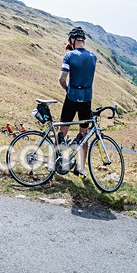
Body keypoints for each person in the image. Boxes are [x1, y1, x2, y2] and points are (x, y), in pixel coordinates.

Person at [57, 26, 96, 179]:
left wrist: (68, 89)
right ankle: (80, 168)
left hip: (72, 98)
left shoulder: (69, 55)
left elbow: (61, 79)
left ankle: (58, 162)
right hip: (86, 99)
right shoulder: (93, 57)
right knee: (83, 134)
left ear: (72, 40)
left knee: (62, 130)